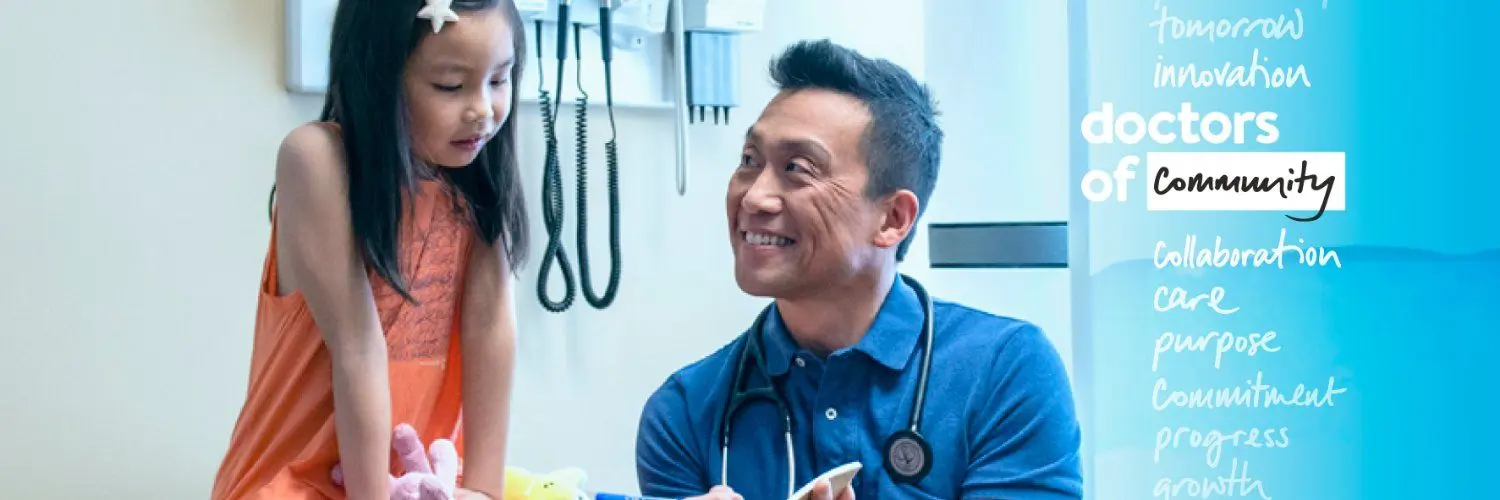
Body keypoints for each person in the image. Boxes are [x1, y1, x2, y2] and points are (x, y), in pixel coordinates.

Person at [634, 39, 1084, 500]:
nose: (753, 197)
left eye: (798, 168)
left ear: (892, 219)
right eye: (749, 161)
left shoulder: (1003, 370)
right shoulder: (686, 412)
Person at [212, 0, 529, 498]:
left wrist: (484, 492)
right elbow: (358, 346)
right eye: (451, 86)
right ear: (378, 78)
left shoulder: (477, 183)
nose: (484, 110)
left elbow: (492, 330)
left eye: (500, 79)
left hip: (421, 480)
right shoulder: (317, 160)